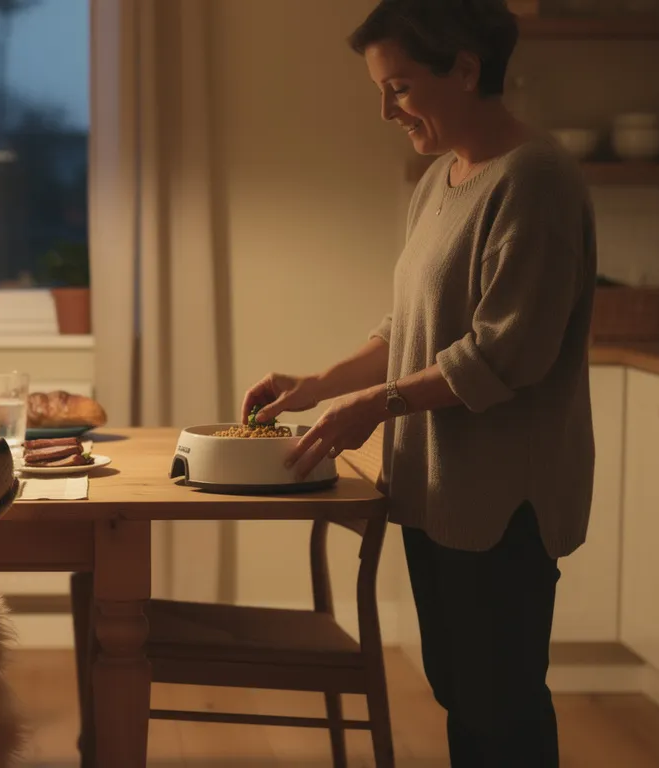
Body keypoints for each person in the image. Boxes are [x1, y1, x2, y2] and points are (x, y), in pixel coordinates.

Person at [242, 1, 596, 766]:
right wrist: (320, 383)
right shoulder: (441, 177)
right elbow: (411, 324)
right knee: (462, 692)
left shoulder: (535, 178)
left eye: (398, 87)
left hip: (503, 497)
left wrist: (377, 404)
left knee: (499, 707)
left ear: (465, 69)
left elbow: (506, 354)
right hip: (437, 486)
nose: (384, 110)